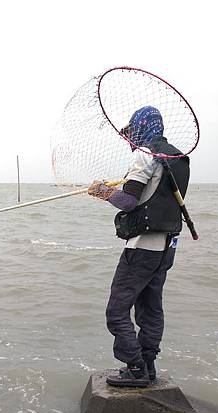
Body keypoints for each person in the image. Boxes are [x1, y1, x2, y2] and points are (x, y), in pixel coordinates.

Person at [88, 106, 190, 387]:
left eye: (133, 129)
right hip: (167, 248)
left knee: (116, 311)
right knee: (150, 307)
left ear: (142, 126)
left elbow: (129, 201)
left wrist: (103, 192)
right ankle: (148, 364)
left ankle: (135, 368)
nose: (132, 136)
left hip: (143, 248)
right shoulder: (177, 157)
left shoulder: (145, 155)